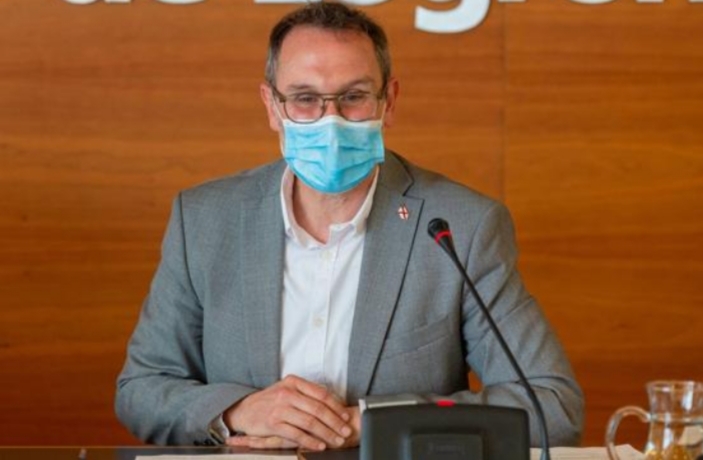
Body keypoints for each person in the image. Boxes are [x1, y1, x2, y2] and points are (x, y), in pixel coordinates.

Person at [115, 1, 584, 451]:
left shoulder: (462, 225)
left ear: (388, 101)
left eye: (354, 97)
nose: (331, 121)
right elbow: (141, 389)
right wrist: (238, 411)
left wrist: (375, 422)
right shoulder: (204, 220)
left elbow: (552, 404)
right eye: (304, 99)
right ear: (272, 107)